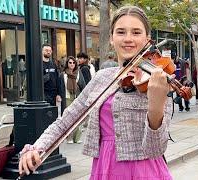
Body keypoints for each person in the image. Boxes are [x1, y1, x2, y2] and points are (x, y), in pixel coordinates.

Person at [18, 5, 173, 179]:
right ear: (112, 38)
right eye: (121, 32)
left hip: (143, 171)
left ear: (147, 39)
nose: (128, 38)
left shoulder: (157, 79)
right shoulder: (101, 77)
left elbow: (155, 149)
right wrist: (38, 147)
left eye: (136, 32)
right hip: (104, 167)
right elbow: (67, 120)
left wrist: (156, 107)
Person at [59, 56, 86, 144]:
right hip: (66, 97)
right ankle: (69, 137)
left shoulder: (78, 73)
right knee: (68, 117)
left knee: (77, 117)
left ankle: (77, 138)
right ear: (67, 63)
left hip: (77, 97)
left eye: (73, 63)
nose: (72, 64)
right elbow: (59, 86)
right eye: (70, 62)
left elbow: (83, 85)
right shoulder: (63, 74)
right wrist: (58, 95)